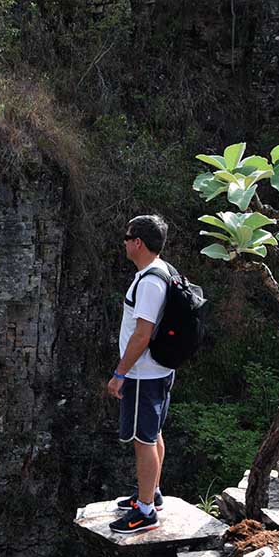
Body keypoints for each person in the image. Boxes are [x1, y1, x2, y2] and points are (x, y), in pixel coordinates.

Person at [106, 214, 175, 534]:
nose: (123, 241)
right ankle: (153, 494)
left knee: (142, 440)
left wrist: (121, 372)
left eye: (127, 236)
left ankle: (145, 512)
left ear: (138, 243)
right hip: (158, 371)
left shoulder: (149, 282)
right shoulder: (163, 271)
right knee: (154, 433)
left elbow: (142, 334)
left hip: (142, 373)